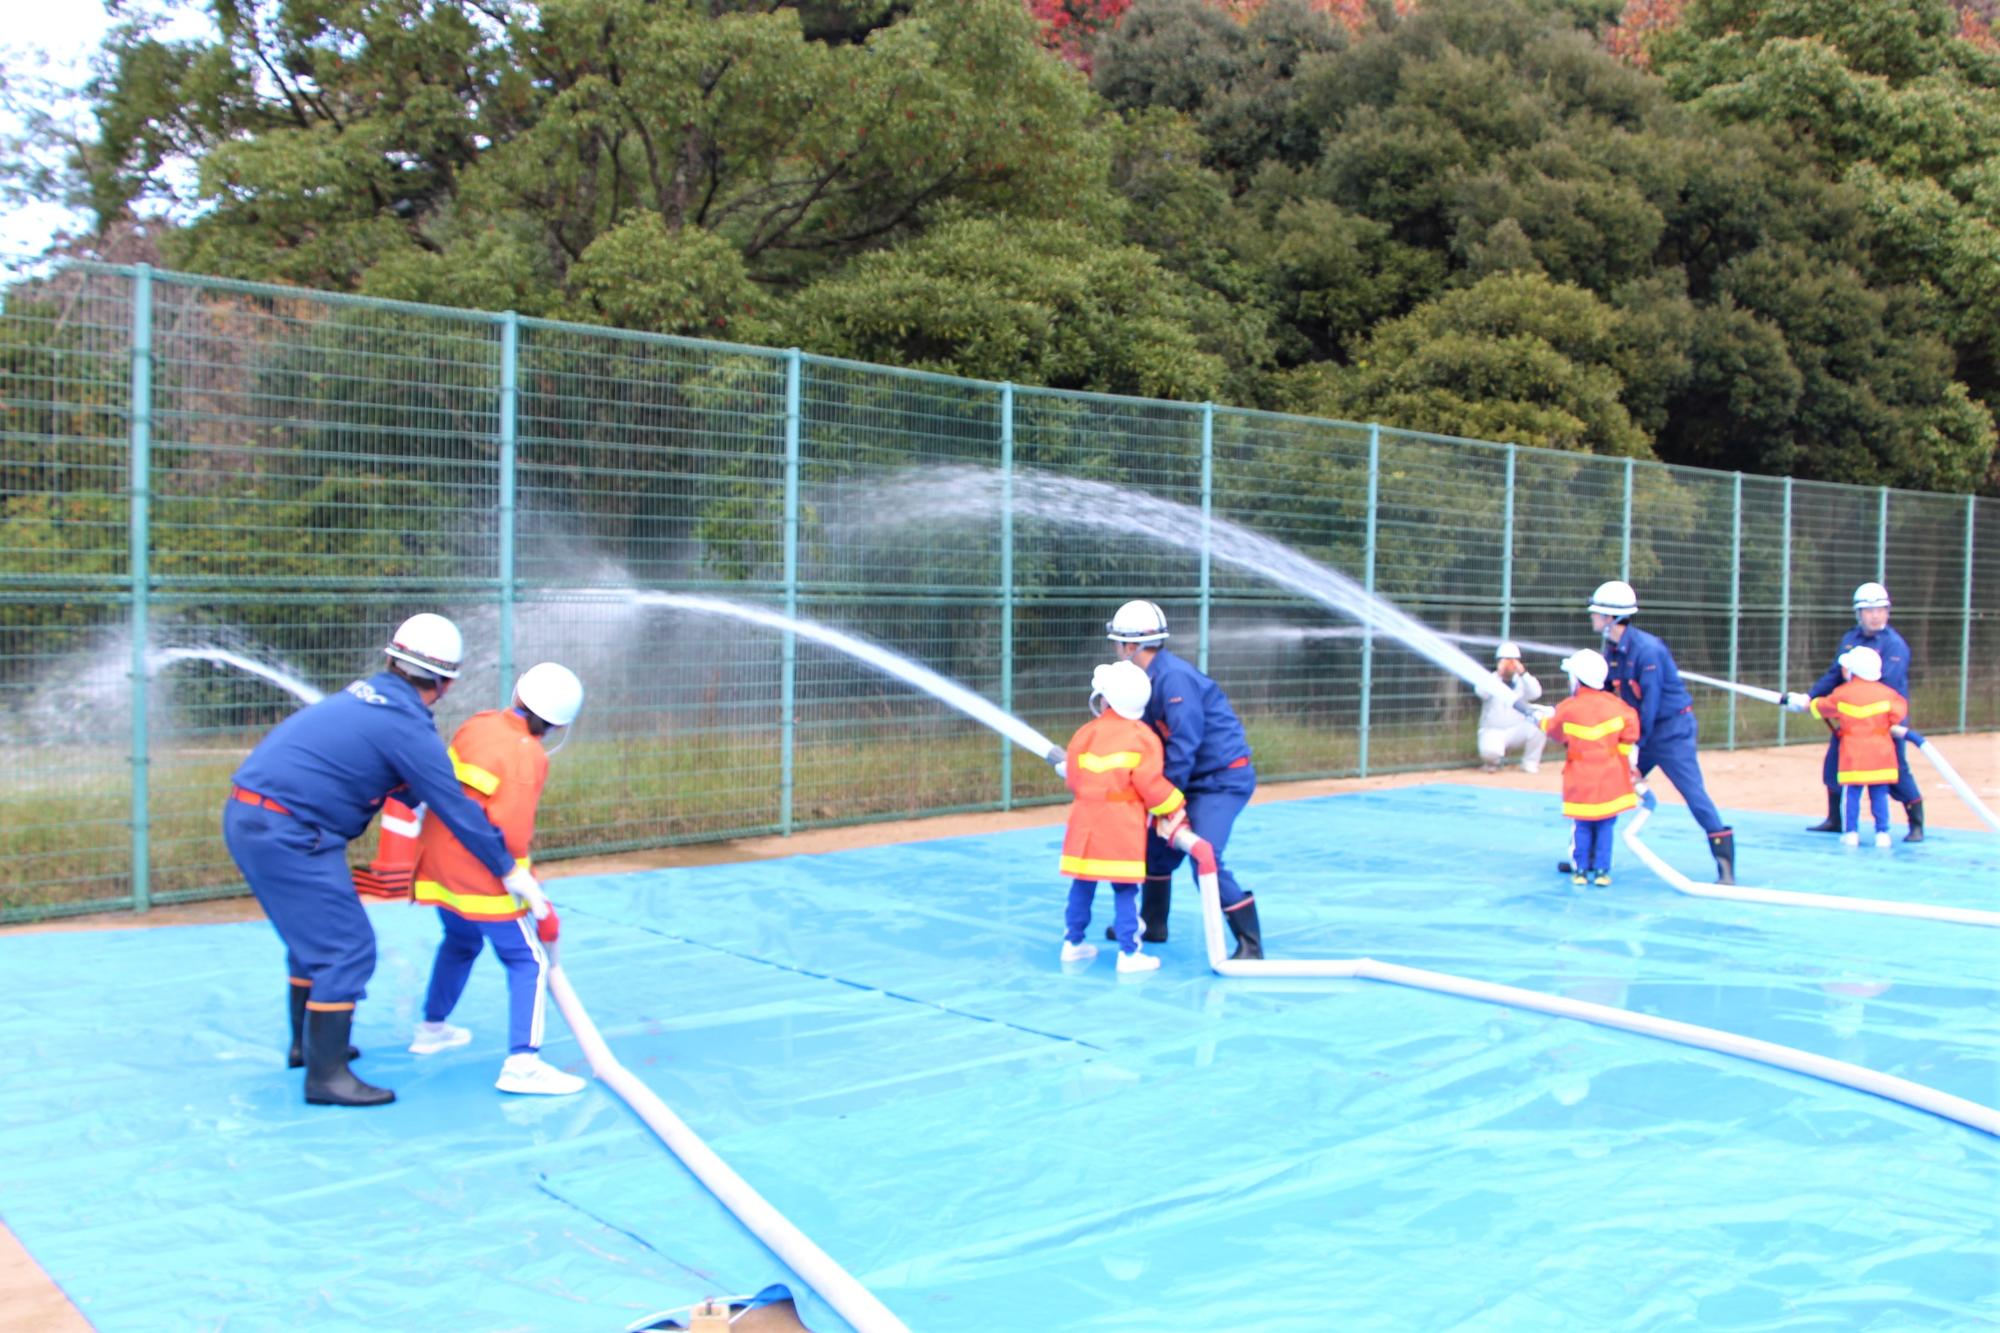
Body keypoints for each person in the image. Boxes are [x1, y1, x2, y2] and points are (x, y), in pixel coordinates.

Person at [222, 613, 536, 1107]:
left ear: (392, 659)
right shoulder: (405, 727)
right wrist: (509, 868)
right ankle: (327, 1078)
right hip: (289, 831)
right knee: (346, 948)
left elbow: (404, 785)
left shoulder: (368, 697)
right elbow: (453, 807)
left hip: (259, 817)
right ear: (447, 682)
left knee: (314, 942)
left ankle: (310, 1047)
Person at [408, 663, 587, 1095]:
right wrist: (529, 892)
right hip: (479, 872)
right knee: (529, 960)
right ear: (558, 723)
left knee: (461, 941)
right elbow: (510, 833)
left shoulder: (479, 725)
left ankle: (431, 1030)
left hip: (436, 863)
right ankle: (523, 1064)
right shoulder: (527, 756)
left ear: (518, 694)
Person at [1103, 599, 1262, 959]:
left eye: (1117, 643)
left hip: (1221, 780)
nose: (1116, 650)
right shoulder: (1144, 680)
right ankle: (1153, 924)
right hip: (1190, 779)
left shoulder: (1173, 678)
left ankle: (1250, 944)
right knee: (1155, 849)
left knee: (1204, 854)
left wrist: (1164, 800)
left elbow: (1184, 743)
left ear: (1132, 645)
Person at [1584, 580, 1737, 884]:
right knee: (1606, 784)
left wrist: (1635, 744)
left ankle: (1725, 867)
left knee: (1693, 794)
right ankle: (1588, 858)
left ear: (1612, 617)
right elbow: (1611, 694)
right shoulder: (1612, 648)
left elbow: (1650, 704)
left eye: (1597, 612)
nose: (1592, 617)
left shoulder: (1647, 650)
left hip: (1671, 733)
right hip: (1643, 731)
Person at [1057, 661, 1189, 975]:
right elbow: (1151, 786)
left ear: (1106, 699)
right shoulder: (1143, 738)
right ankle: (1129, 953)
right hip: (1120, 825)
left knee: (1082, 884)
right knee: (1125, 889)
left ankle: (1072, 944)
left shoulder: (1085, 733)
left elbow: (1074, 780)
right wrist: (1176, 805)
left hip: (1085, 823)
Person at [1787, 582, 1925, 841]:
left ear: (1887, 612)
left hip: (1882, 725)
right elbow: (1834, 674)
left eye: (1880, 610)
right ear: (1859, 613)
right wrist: (1810, 697)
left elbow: (1887, 690)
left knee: (1895, 772)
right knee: (1834, 766)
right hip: (1850, 723)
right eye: (1869, 610)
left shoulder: (1894, 646)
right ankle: (1835, 820)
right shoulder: (1850, 639)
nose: (1875, 615)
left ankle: (1915, 823)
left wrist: (1840, 702)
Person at [1539, 649, 1640, 888]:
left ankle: (1581, 870)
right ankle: (1603, 871)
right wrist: (1625, 764)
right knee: (1606, 826)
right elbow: (1630, 733)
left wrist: (1539, 720)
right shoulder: (1620, 707)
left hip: (1581, 778)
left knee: (1582, 826)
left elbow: (1554, 730)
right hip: (1612, 778)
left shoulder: (1569, 707)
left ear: (1577, 678)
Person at [1805, 646, 1908, 848]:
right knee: (1879, 795)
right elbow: (1899, 713)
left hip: (1853, 755)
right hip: (1881, 754)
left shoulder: (1842, 694)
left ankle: (1851, 832)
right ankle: (1882, 833)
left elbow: (1821, 707)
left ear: (1854, 670)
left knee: (1852, 795)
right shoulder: (1888, 694)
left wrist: (1805, 702)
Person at [1476, 641, 1546, 772]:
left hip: (1517, 729)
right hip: (1494, 730)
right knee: (1490, 753)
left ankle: (1530, 762)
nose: (1509, 665)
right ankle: (1494, 762)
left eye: (1512, 661)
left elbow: (1536, 693)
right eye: (1505, 661)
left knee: (1540, 721)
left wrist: (1523, 673)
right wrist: (1498, 674)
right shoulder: (1491, 680)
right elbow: (1481, 692)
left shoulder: (1522, 680)